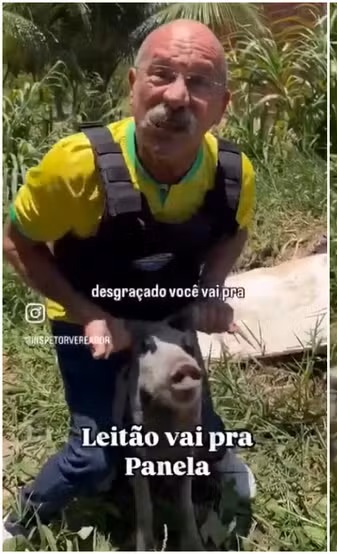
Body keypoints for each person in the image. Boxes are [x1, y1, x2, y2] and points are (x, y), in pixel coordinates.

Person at [1, 19, 257, 540]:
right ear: (133, 87)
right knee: (96, 459)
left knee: (199, 432)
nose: (177, 96)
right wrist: (88, 314)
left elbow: (234, 232)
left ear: (222, 106)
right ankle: (17, 522)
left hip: (168, 323)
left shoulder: (234, 173)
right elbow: (16, 242)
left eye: (200, 83)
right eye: (161, 74)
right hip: (90, 322)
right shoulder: (76, 167)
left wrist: (211, 287)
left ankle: (223, 463)